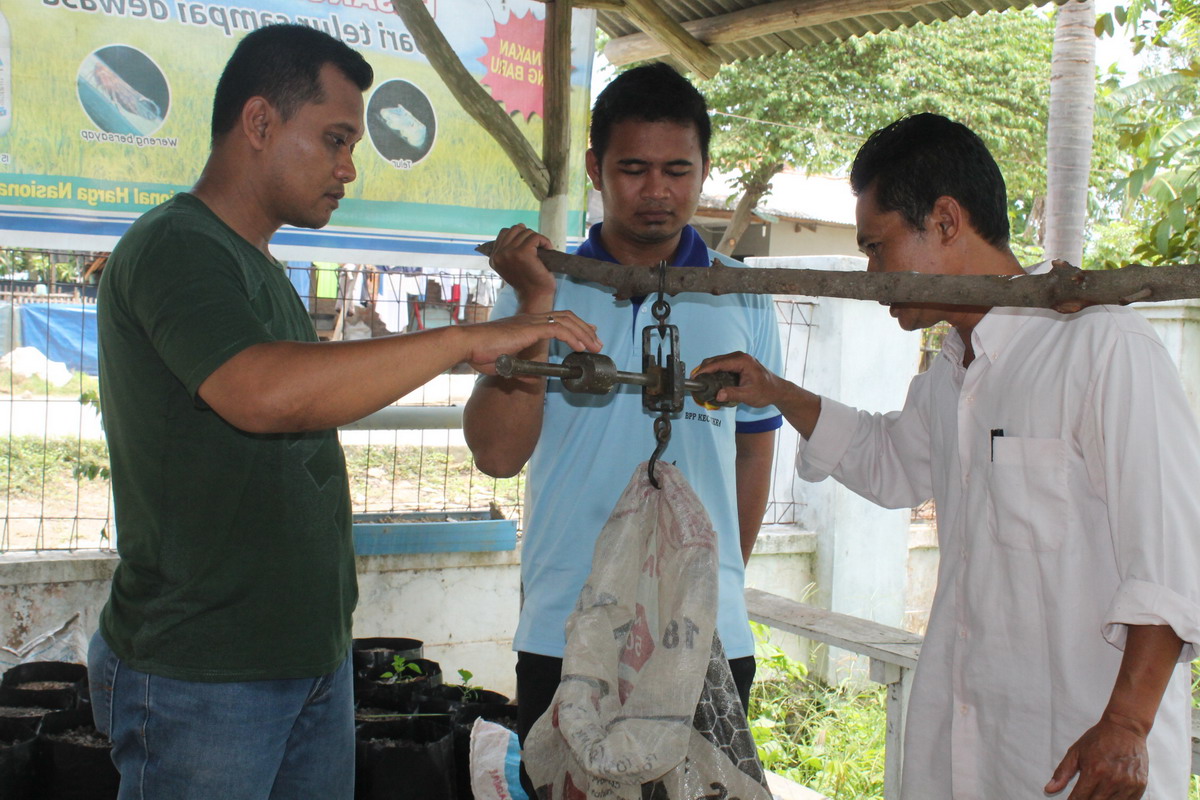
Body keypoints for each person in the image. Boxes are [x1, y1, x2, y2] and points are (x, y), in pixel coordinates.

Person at [87, 24, 599, 800]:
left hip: (305, 658)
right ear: (259, 124)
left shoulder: (257, 266)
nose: (348, 167)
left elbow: (313, 389)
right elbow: (265, 393)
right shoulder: (176, 247)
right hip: (205, 671)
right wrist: (464, 338)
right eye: (333, 139)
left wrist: (518, 314)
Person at [694, 112, 1200, 799]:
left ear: (945, 220)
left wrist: (1127, 724)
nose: (873, 276)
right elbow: (889, 462)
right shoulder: (950, 372)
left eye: (878, 247)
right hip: (968, 754)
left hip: (1080, 759)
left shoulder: (1103, 349)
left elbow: (1171, 560)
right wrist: (776, 391)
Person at [463, 62, 784, 794]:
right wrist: (535, 306)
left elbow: (754, 456)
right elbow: (495, 453)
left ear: (705, 170)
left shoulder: (741, 295)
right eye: (633, 169)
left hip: (703, 634)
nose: (657, 190)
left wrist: (714, 580)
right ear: (594, 169)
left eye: (678, 170)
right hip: (567, 626)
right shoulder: (543, 287)